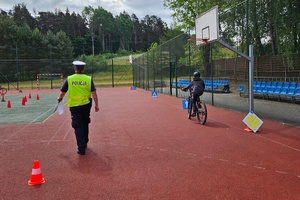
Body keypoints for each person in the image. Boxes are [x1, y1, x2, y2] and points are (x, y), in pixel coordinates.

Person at [58, 61, 99, 155]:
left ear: (74, 69)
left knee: (77, 125)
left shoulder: (70, 79)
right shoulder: (88, 79)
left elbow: (62, 92)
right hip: (86, 104)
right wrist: (97, 104)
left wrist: (60, 99)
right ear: (83, 69)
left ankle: (81, 148)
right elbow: (94, 92)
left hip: (74, 106)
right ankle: (85, 142)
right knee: (85, 122)